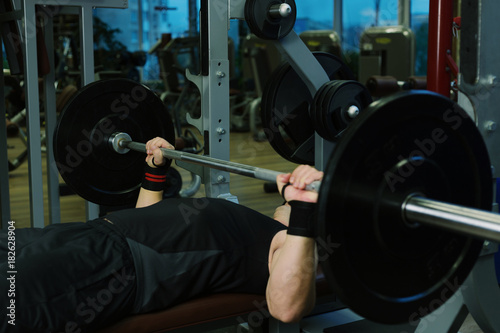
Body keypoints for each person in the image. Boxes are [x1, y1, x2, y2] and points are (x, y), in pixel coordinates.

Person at [0, 137, 323, 333]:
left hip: (111, 268)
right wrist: (155, 171)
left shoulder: (290, 242)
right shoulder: (264, 222)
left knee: (10, 296)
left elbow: (287, 309)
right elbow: (145, 219)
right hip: (92, 234)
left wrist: (304, 216)